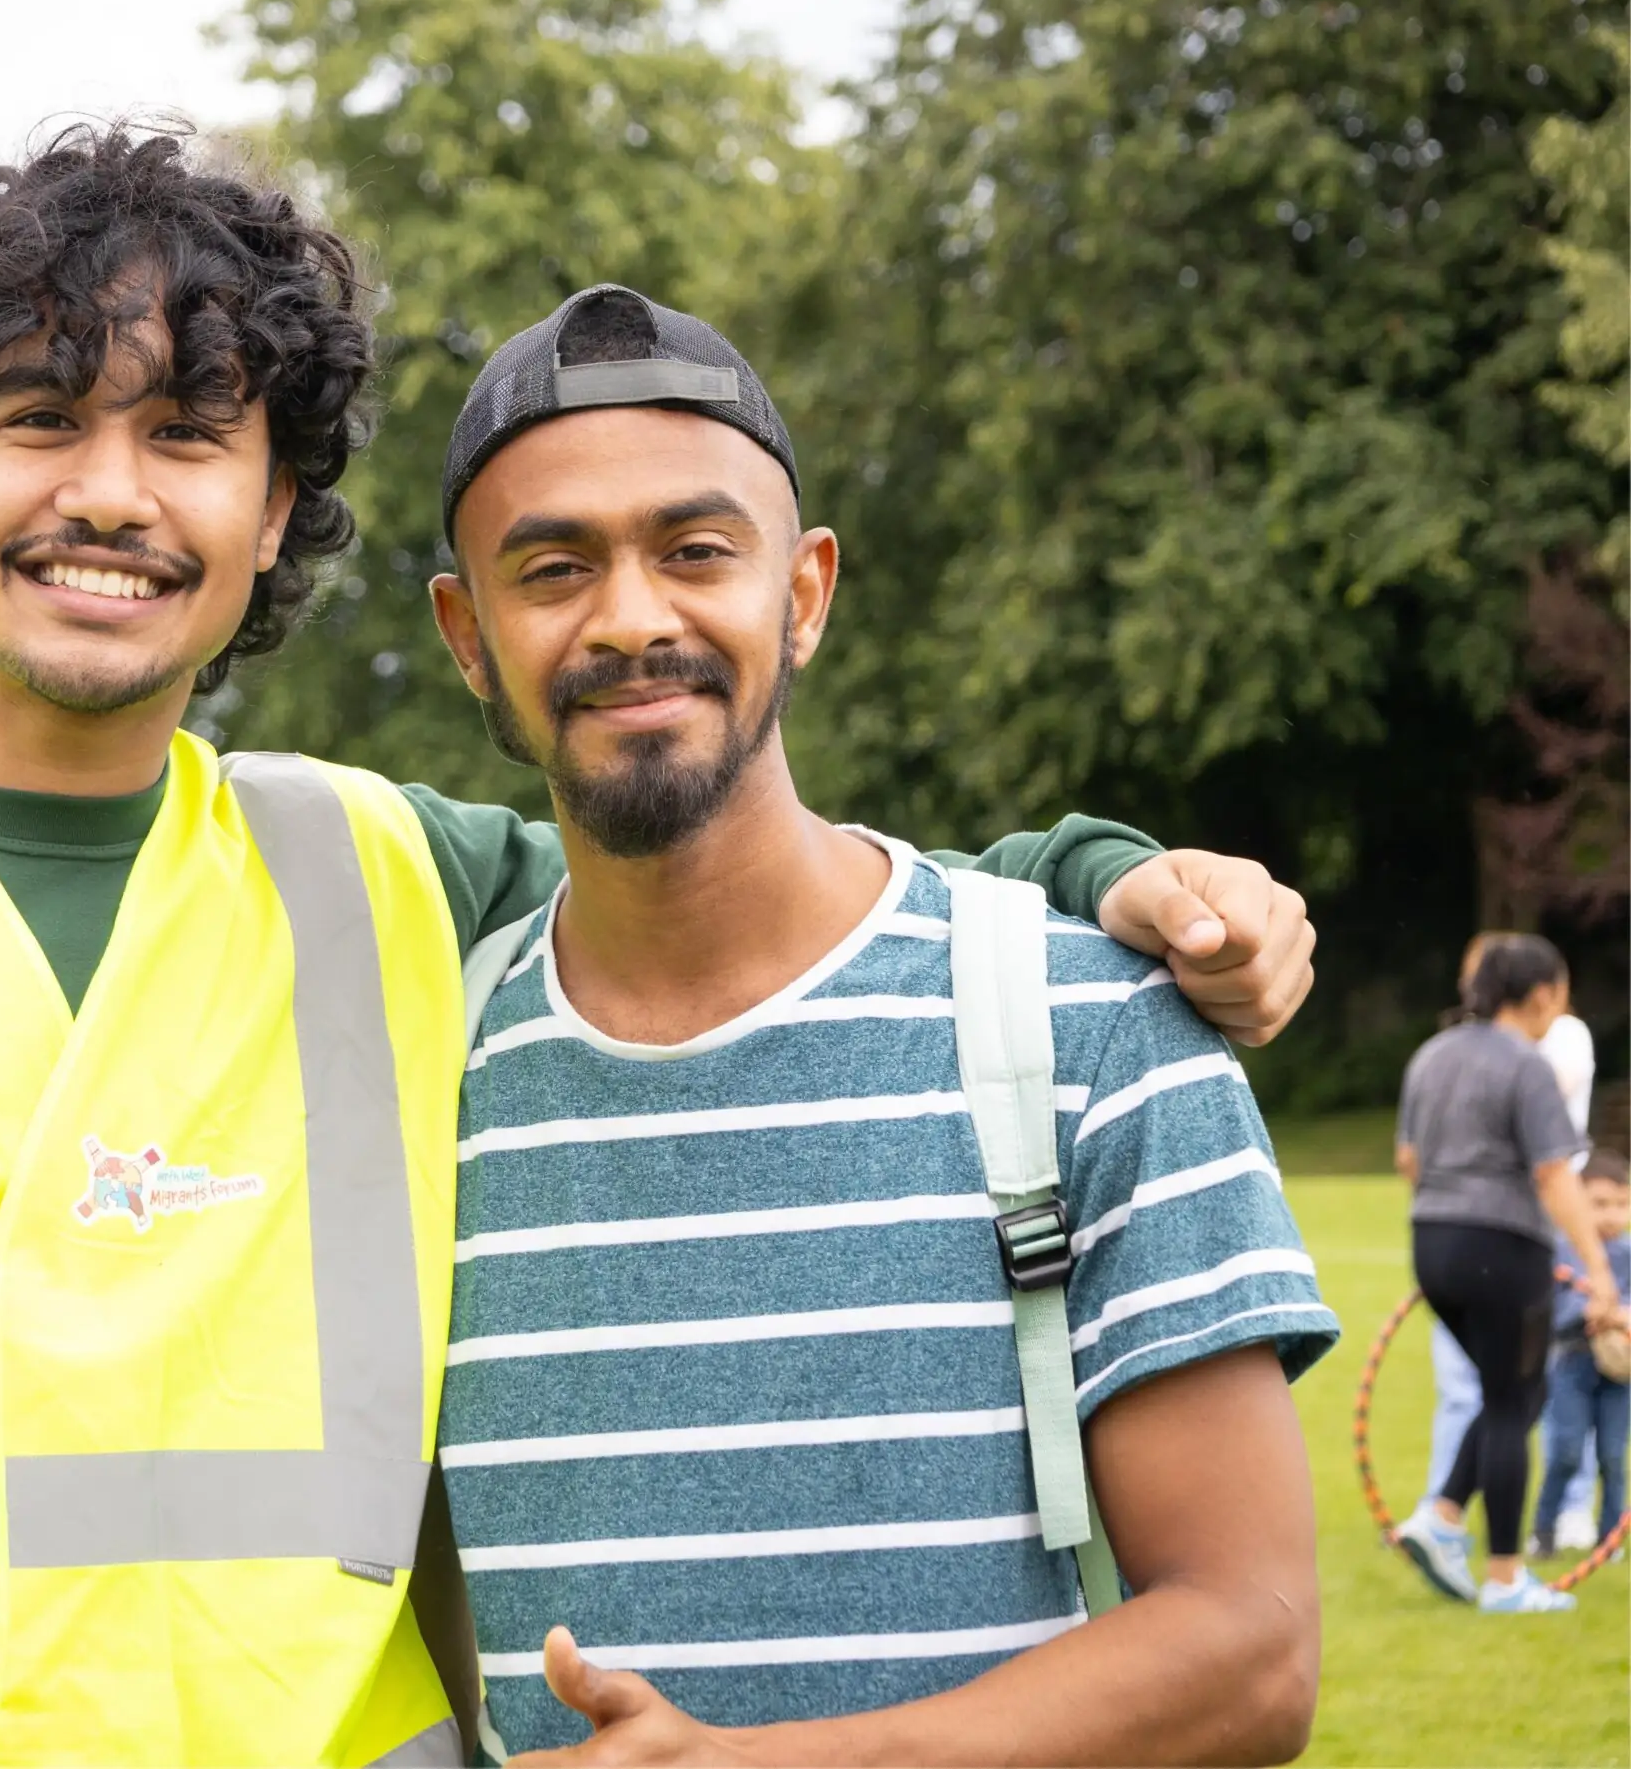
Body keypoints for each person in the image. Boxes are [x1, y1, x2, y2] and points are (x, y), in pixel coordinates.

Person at [0, 127, 1317, 1768]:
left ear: (275, 511)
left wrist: (1100, 875)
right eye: (35, 420)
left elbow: (724, 859)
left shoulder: (384, 875)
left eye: (189, 436)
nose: (108, 492)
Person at [424, 284, 1340, 1763]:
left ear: (805, 594)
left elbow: (1254, 1650)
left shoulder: (1087, 1023)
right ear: (468, 636)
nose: (633, 618)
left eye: (697, 550)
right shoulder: (426, 1079)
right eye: (553, 568)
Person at [1391, 934, 1622, 1613]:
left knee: (1511, 1395)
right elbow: (1555, 1172)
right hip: (1504, 1245)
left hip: (1432, 1243)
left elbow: (1408, 1157)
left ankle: (1441, 1517)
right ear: (1543, 993)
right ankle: (1503, 1576)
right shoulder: (1527, 1064)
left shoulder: (1432, 1054)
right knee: (1511, 1400)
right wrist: (1601, 1273)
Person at [1533, 1149, 1629, 1556]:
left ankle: (1610, 1539)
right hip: (1570, 1364)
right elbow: (1547, 1312)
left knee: (1612, 1455)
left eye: (1622, 1204)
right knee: (1566, 1451)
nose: (1611, 1215)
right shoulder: (1563, 1252)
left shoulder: (1628, 1254)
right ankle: (1543, 1534)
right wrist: (1585, 1310)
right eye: (1599, 1204)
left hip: (1619, 1373)